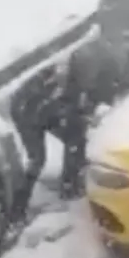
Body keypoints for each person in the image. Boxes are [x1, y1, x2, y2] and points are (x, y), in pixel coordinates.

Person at [9, 61, 86, 221]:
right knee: (38, 159)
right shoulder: (48, 71)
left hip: (39, 108)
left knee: (74, 137)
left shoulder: (62, 69)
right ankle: (17, 209)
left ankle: (70, 183)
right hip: (30, 112)